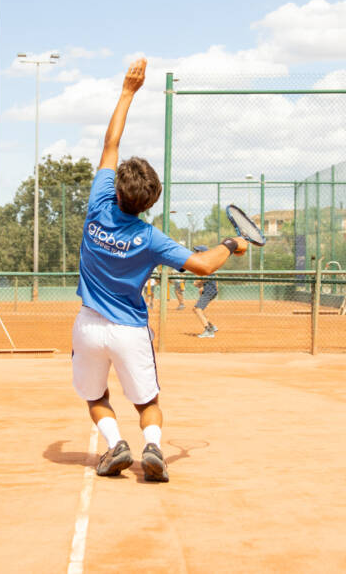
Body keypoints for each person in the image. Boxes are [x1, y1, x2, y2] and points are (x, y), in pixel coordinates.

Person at [72, 58, 247, 482]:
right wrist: (232, 243)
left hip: (88, 326)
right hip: (129, 330)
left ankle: (116, 444)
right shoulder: (150, 237)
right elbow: (203, 265)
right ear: (150, 203)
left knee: (96, 397)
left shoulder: (97, 206)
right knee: (147, 402)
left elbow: (110, 144)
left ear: (117, 190)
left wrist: (128, 91)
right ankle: (152, 448)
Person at [191, 245, 219, 338]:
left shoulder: (206, 263)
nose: (196, 253)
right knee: (196, 309)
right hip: (209, 289)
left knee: (198, 309)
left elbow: (205, 277)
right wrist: (200, 284)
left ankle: (208, 330)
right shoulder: (206, 262)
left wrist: (198, 282)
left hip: (209, 290)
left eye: (198, 251)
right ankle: (211, 326)